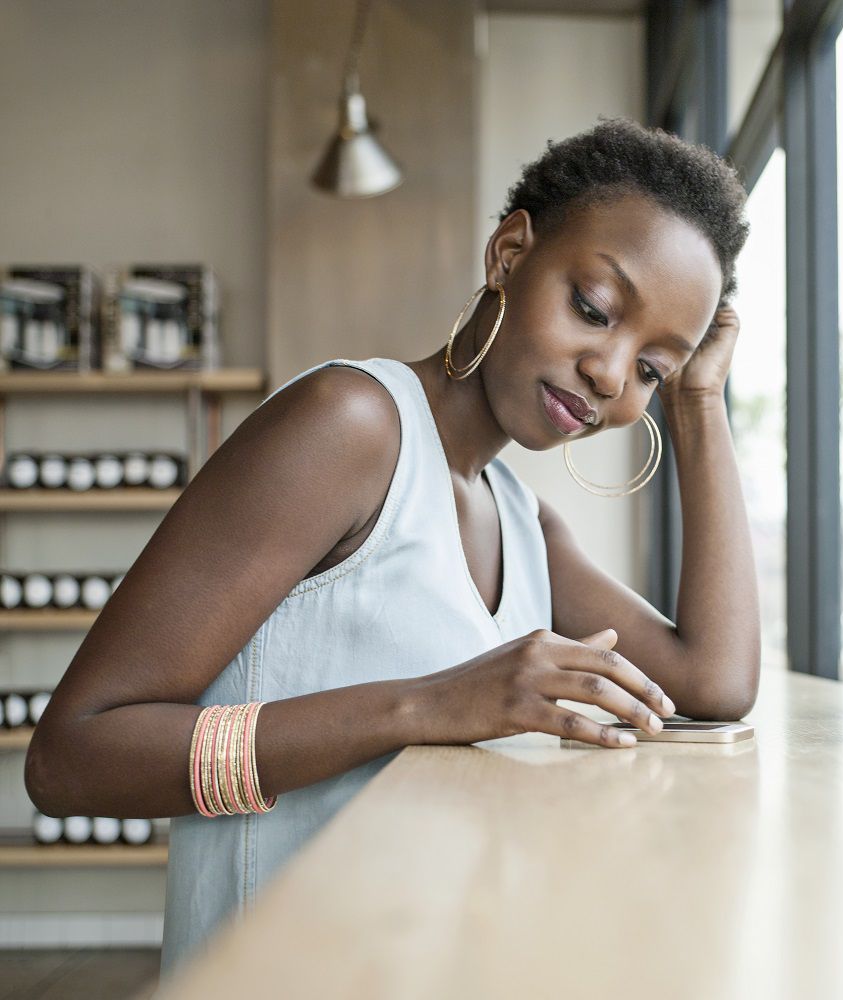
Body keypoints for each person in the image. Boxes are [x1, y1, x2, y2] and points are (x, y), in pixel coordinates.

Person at [24, 116, 761, 974]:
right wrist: (429, 705)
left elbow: (713, 682)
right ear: (510, 255)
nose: (610, 373)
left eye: (650, 369)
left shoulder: (519, 519)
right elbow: (73, 758)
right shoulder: (350, 425)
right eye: (594, 310)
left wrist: (698, 403)